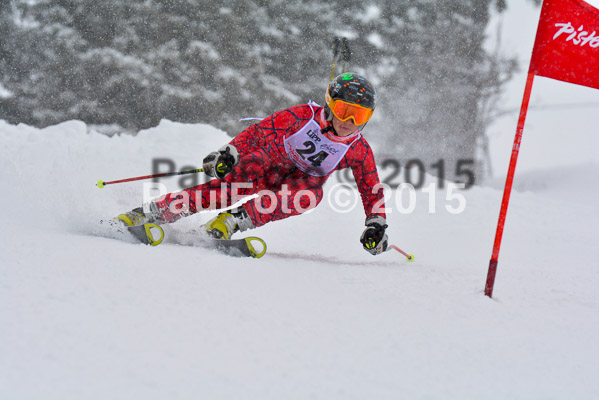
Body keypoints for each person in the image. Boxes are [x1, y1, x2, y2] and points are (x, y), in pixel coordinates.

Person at [116, 72, 389, 255]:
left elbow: (370, 186)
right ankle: (149, 213)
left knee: (309, 195)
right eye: (344, 111)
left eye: (359, 115)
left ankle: (229, 223)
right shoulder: (304, 116)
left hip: (301, 182)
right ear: (330, 104)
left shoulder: (358, 148)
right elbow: (260, 132)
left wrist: (376, 224)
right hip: (268, 162)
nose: (348, 122)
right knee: (223, 192)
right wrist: (229, 153)